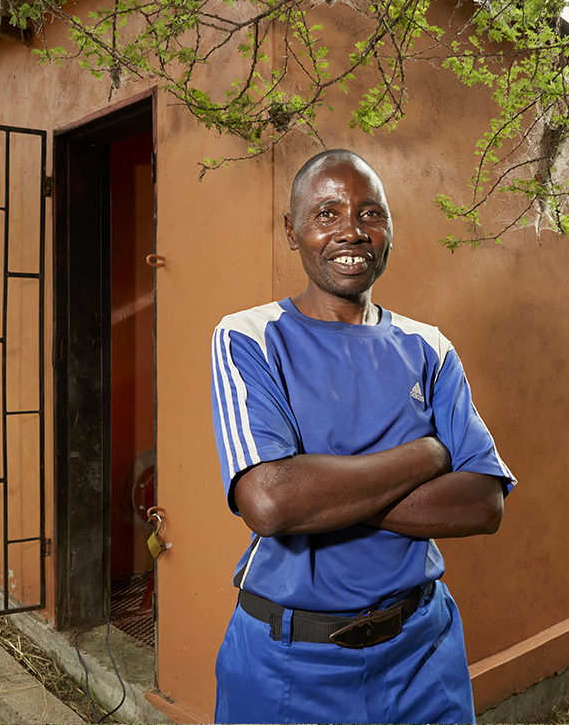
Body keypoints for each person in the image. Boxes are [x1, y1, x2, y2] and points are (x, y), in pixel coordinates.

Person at [209, 149, 515, 724]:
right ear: (291, 230)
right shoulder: (249, 337)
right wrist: (429, 453)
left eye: (370, 213)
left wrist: (323, 492)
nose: (352, 229)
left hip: (424, 651)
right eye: (326, 213)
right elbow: (271, 502)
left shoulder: (430, 348)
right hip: (290, 664)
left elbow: (483, 502)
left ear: (390, 229)